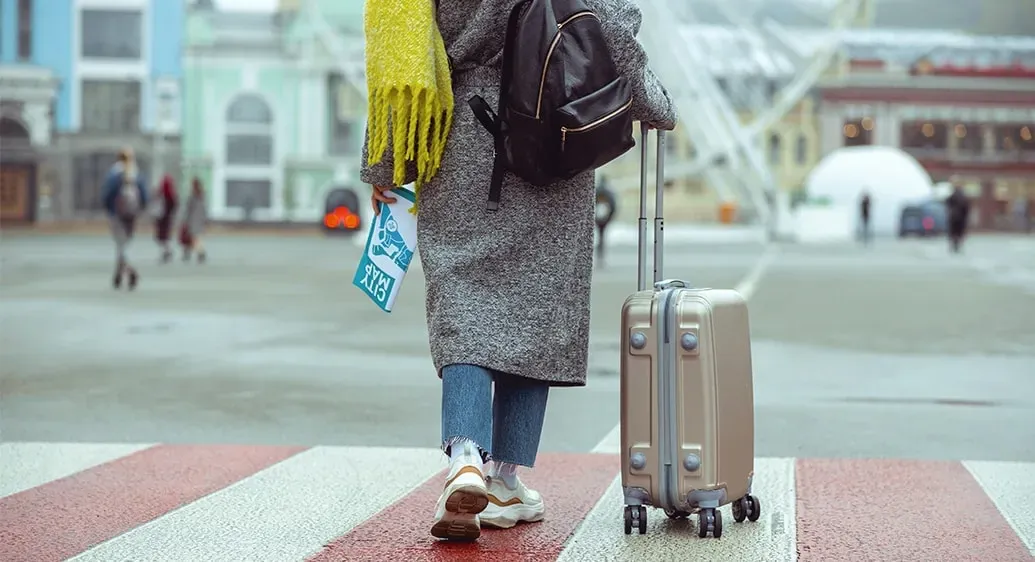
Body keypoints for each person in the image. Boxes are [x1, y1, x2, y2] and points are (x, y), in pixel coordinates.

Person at [361, 0, 676, 542]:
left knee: (464, 296)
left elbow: (401, 50)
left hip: (458, 132)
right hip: (551, 129)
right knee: (538, 304)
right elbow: (605, 24)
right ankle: (505, 479)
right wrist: (652, 99)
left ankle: (464, 456)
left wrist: (386, 163)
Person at [102, 148, 148, 290]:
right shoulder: (136, 173)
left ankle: (129, 270)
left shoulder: (114, 174)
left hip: (117, 214)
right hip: (131, 214)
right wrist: (139, 210)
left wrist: (109, 209)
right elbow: (144, 196)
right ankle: (118, 275)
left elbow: (107, 194)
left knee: (121, 245)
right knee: (124, 244)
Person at [179, 178, 208, 263]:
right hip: (199, 220)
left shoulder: (192, 197)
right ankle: (191, 252)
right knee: (194, 238)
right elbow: (204, 209)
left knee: (193, 238)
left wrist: (185, 220)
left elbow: (188, 210)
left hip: (193, 220)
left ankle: (200, 252)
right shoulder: (202, 196)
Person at [154, 174, 179, 263]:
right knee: (165, 236)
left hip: (162, 218)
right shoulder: (172, 195)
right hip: (167, 218)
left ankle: (166, 252)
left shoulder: (161, 194)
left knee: (162, 236)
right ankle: (167, 251)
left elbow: (156, 204)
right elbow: (175, 205)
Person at [945, 184, 971, 253]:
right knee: (959, 233)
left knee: (953, 232)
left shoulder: (952, 196)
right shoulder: (963, 197)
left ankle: (954, 245)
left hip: (953, 217)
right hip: (960, 218)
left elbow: (947, 204)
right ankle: (957, 245)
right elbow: (966, 208)